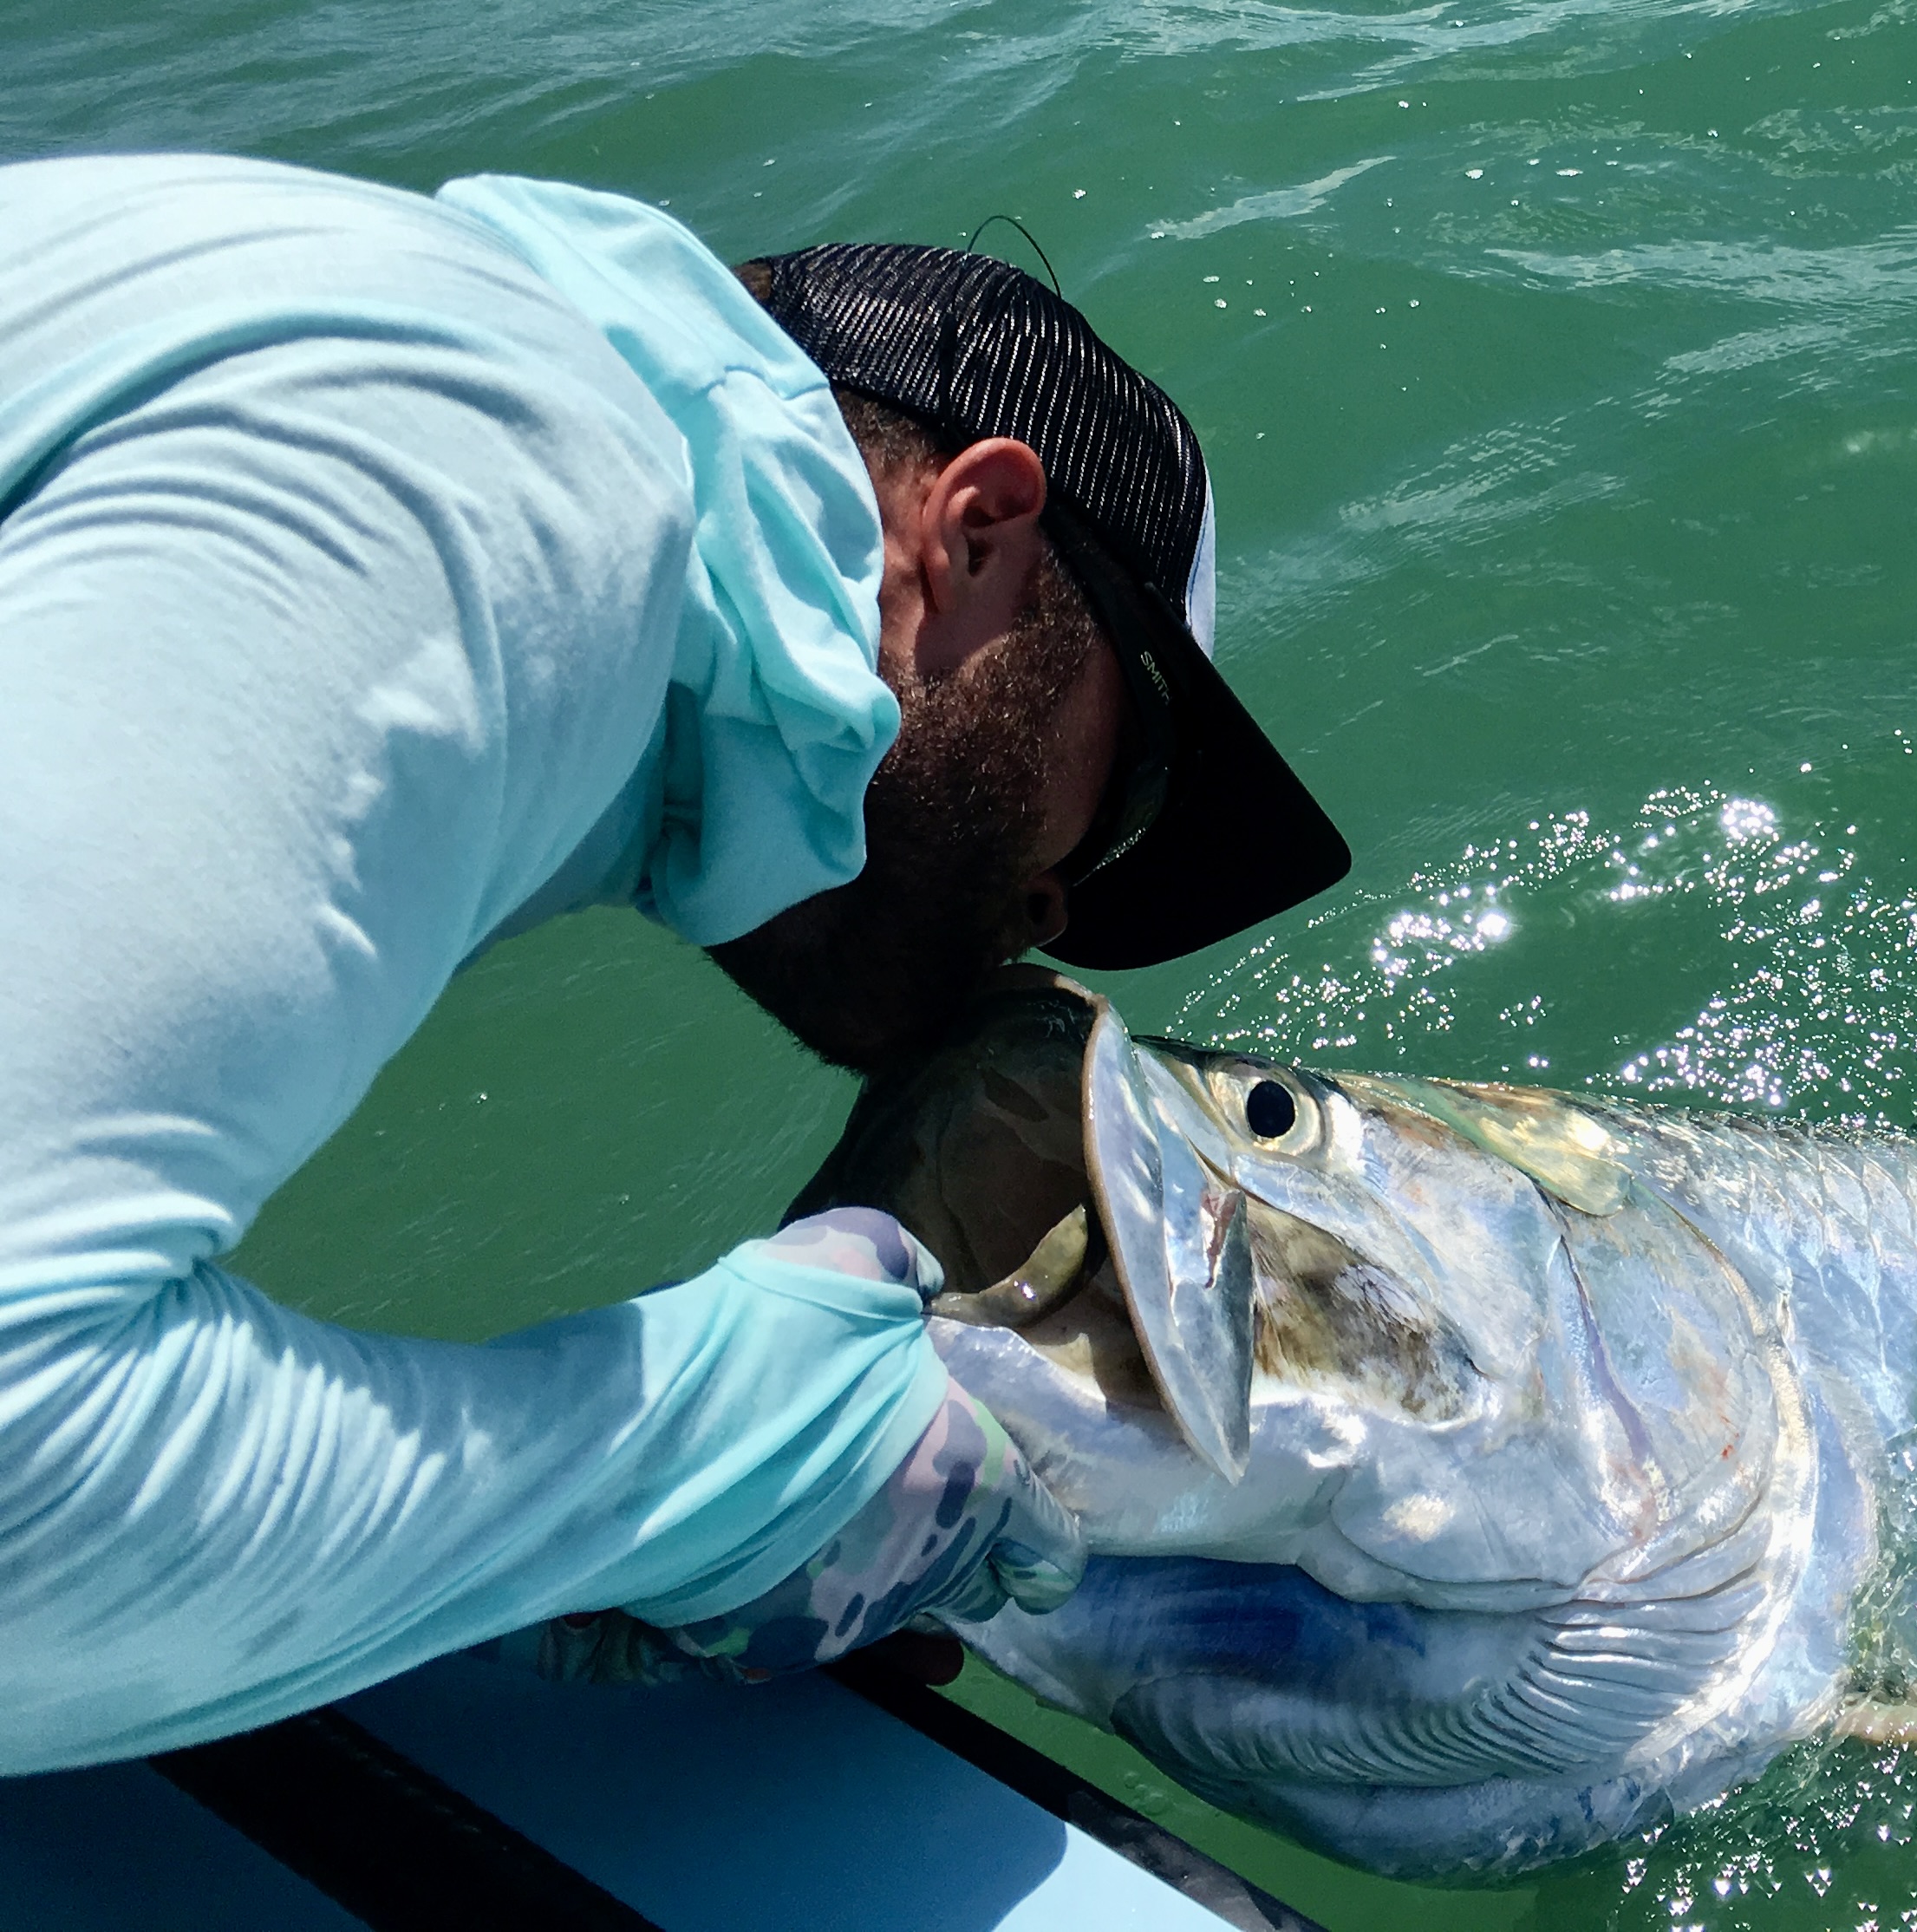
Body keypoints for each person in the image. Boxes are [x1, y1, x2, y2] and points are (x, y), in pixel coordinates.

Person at [0, 153, 1349, 1773]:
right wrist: (705, 1472)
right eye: (1117, 798)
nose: (1063, 905)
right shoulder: (511, 471)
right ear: (977, 533)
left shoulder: (507, 474)